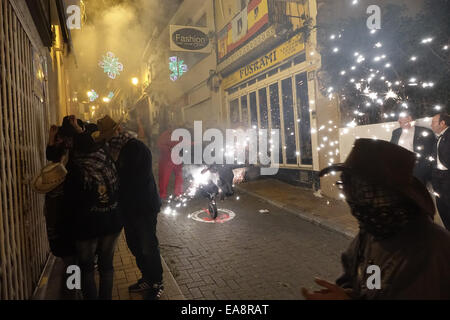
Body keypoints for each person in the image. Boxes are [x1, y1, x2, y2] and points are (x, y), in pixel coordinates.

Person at [302, 139, 450, 299]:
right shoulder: (373, 234)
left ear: (391, 193)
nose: (351, 197)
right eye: (346, 185)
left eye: (361, 188)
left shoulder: (431, 250)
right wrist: (346, 294)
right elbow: (370, 287)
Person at [93, 115, 164, 300]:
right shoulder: (113, 149)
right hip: (128, 208)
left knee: (148, 247)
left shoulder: (135, 148)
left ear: (118, 130)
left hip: (143, 207)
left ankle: (156, 282)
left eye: (109, 135)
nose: (107, 140)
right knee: (134, 245)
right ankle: (146, 278)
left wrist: (114, 182)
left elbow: (135, 179)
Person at [64, 125, 123, 300]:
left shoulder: (75, 169)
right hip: (111, 221)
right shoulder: (107, 162)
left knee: (87, 269)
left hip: (87, 227)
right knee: (107, 267)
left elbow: (70, 202)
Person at [390, 112, 435, 184]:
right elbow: (391, 148)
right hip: (400, 168)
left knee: (418, 191)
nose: (398, 120)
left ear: (409, 118)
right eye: (398, 118)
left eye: (401, 118)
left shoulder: (424, 131)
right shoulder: (396, 132)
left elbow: (429, 152)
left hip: (417, 169)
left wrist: (421, 170)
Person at [431, 113, 450, 230]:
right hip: (439, 178)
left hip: (447, 177)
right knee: (442, 207)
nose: (431, 125)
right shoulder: (439, 137)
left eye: (433, 122)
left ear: (442, 123)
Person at [157, 122, 184, 201]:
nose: (173, 128)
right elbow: (159, 145)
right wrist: (169, 149)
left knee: (179, 176)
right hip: (166, 160)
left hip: (177, 159)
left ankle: (178, 193)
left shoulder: (179, 135)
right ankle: (162, 195)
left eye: (174, 126)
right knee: (164, 178)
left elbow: (183, 144)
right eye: (171, 126)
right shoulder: (164, 135)